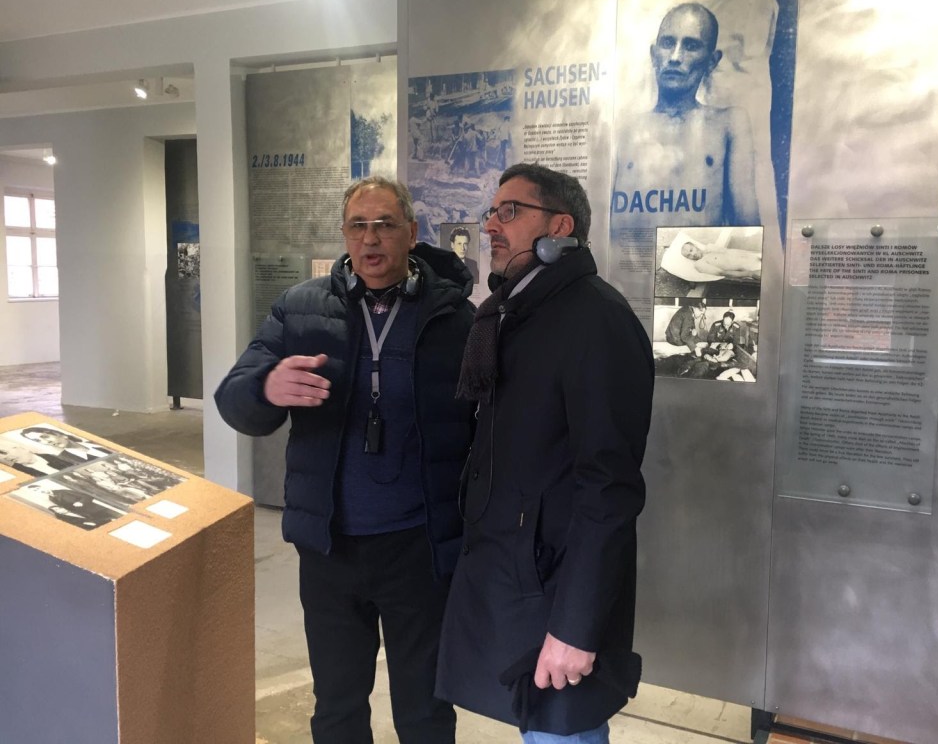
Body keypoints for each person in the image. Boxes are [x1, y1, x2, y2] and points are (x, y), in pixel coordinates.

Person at [214, 175, 476, 744]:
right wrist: (265, 387)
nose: (370, 238)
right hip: (331, 546)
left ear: (412, 232)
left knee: (426, 710)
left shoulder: (456, 318)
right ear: (344, 234)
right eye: (358, 226)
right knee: (336, 706)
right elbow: (232, 398)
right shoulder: (301, 309)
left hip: (420, 548)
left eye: (384, 225)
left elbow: (488, 428)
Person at [437, 163, 654, 742]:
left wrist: (577, 628)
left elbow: (609, 489)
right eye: (491, 212)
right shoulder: (517, 313)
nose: (491, 226)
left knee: (560, 731)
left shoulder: (595, 320)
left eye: (510, 212)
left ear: (560, 226)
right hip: (520, 581)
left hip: (556, 595)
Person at [613, 2, 759, 227]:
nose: (675, 57)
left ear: (712, 61)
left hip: (697, 250)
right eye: (667, 43)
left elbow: (746, 225)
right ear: (654, 55)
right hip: (630, 250)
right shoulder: (626, 128)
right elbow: (600, 223)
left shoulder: (728, 123)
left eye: (690, 46)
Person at [19, 426, 113, 463]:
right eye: (38, 440)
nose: (47, 442)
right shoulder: (65, 459)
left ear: (57, 433)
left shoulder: (96, 441)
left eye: (45, 437)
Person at [679, 241, 761, 280]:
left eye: (691, 250)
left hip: (752, 256)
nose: (693, 254)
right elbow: (722, 273)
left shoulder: (709, 247)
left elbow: (728, 251)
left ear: (694, 245)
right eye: (689, 255)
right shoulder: (699, 264)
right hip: (750, 268)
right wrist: (749, 274)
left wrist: (753, 254)